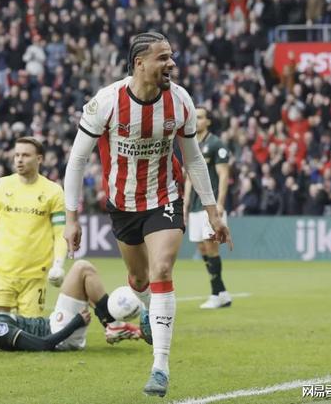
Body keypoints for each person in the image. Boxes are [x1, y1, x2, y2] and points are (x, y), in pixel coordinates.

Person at [63, 32, 233, 397]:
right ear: (139, 63)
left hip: (164, 198)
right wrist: (72, 218)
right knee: (139, 279)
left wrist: (212, 212)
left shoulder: (180, 100)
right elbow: (77, 160)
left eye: (171, 56)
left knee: (162, 270)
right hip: (123, 204)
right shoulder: (106, 102)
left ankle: (160, 367)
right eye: (163, 58)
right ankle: (144, 311)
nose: (172, 63)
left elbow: (193, 159)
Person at [0, 137, 68, 318]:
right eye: (17, 155)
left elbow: (60, 233)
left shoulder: (54, 191)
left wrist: (59, 264)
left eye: (26, 155)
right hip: (1, 273)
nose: (19, 159)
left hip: (35, 276)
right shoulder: (0, 186)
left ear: (39, 159)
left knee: (29, 331)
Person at [0, 260, 141, 350]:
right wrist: (76, 322)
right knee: (83, 268)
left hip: (54, 324)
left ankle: (114, 325)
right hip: (59, 331)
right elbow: (43, 344)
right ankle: (114, 325)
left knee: (83, 285)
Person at [184, 108, 232, 309]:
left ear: (209, 121)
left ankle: (215, 294)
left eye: (200, 117)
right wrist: (185, 204)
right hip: (195, 205)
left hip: (210, 206)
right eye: (194, 117)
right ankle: (222, 293)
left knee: (210, 246)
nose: (196, 121)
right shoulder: (192, 144)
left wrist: (220, 203)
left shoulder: (216, 144)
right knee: (202, 247)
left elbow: (224, 175)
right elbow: (189, 177)